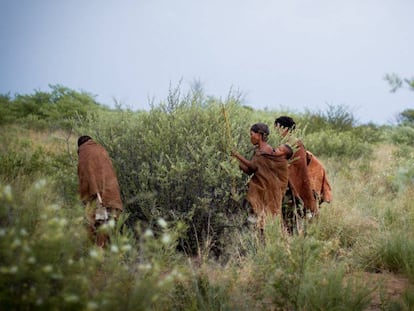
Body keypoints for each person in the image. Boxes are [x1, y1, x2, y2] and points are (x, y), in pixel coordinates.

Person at [231, 123, 292, 233]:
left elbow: (253, 167)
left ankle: (263, 243)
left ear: (259, 135)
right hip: (260, 189)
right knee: (257, 219)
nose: (251, 137)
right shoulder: (259, 150)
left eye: (252, 134)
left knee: (262, 219)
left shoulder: (265, 150)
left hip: (265, 191)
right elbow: (251, 171)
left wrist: (238, 156)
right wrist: (237, 163)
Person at [77, 135, 123, 247]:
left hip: (97, 197)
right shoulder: (101, 149)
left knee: (96, 224)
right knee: (108, 224)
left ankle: (97, 255)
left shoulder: (84, 152)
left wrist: (94, 195)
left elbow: (86, 176)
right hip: (112, 193)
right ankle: (108, 253)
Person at [274, 116, 317, 233]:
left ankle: (294, 245)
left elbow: (299, 168)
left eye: (277, 127)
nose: (275, 131)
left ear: (284, 128)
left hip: (292, 188)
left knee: (291, 220)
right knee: (286, 219)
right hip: (284, 187)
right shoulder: (283, 142)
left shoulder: (295, 144)